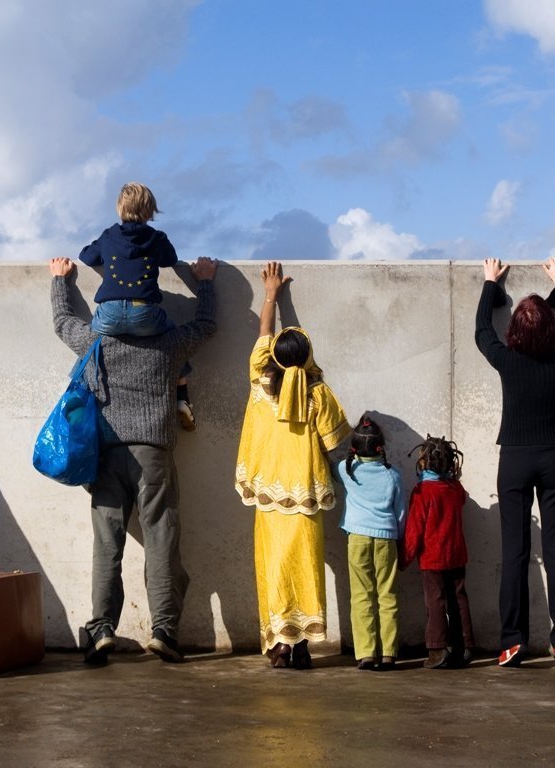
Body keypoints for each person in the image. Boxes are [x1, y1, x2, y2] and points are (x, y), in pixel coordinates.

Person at [48, 254, 218, 665]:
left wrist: (60, 281)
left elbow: (61, 322)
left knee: (107, 544)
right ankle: (164, 631)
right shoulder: (170, 342)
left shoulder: (97, 342)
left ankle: (102, 628)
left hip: (106, 454)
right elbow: (207, 325)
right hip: (154, 452)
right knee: (161, 540)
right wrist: (206, 283)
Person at [235, 261, 351, 670]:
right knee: (305, 567)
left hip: (269, 499)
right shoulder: (319, 395)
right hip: (306, 498)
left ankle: (279, 646)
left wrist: (270, 295)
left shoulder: (259, 381)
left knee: (273, 569)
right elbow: (339, 447)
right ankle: (302, 647)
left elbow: (264, 335)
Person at [475, 256, 555, 669]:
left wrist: (489, 283)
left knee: (515, 552)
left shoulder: (506, 360)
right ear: (549, 330)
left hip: (514, 460)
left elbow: (482, 331)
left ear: (515, 331)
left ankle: (512, 642)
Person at [77, 182, 197, 431]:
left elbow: (86, 256)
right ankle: (182, 396)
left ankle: (83, 391)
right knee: (174, 341)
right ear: (150, 210)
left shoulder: (110, 235)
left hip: (110, 312)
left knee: (90, 345)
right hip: (145, 312)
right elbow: (171, 259)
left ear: (120, 208)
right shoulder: (156, 238)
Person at [337, 413, 404, 672]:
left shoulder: (346, 470)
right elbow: (400, 513)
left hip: (357, 540)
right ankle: (388, 653)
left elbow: (328, 466)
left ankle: (365, 653)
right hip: (387, 539)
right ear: (381, 447)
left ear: (354, 448)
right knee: (387, 596)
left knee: (361, 595)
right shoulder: (394, 475)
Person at [401, 435, 475, 669]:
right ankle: (464, 646)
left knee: (435, 601)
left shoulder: (423, 491)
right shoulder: (455, 489)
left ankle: (437, 649)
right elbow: (461, 500)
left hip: (432, 558)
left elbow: (414, 529)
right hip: (456, 554)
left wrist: (404, 558)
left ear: (424, 462)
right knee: (459, 599)